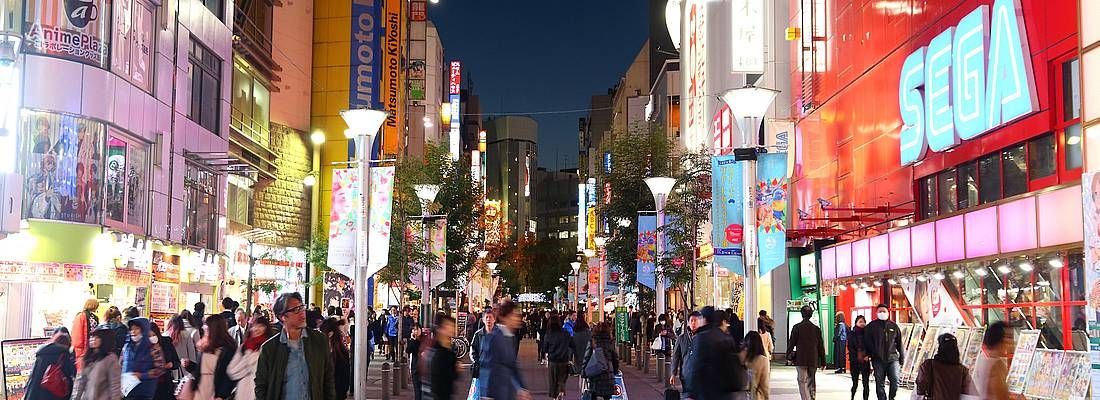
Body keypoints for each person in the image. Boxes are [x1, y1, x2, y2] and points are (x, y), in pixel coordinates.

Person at [254, 292, 337, 400]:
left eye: (302, 307)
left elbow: (328, 380)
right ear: (282, 316)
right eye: (296, 310)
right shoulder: (269, 349)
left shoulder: (319, 341)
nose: (302, 313)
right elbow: (261, 386)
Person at [685, 306, 744, 400]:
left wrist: (690, 393)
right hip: (725, 393)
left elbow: (695, 368)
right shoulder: (726, 337)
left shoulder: (701, 338)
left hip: (706, 392)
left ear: (704, 319)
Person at [478, 300, 531, 400]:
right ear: (504, 317)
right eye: (514, 315)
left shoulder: (509, 337)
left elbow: (512, 366)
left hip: (505, 392)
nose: (517, 319)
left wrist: (521, 388)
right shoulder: (494, 336)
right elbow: (486, 365)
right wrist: (486, 395)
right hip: (494, 393)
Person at [186, 315, 238, 400]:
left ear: (214, 328)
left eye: (206, 325)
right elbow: (200, 370)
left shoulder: (228, 349)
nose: (204, 327)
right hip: (200, 389)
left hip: (215, 391)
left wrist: (221, 395)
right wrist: (190, 365)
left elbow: (229, 376)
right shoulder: (205, 346)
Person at [914, 333, 977, 399]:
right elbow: (971, 394)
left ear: (940, 347)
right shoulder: (963, 370)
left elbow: (920, 390)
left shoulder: (929, 365)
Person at [863, 304, 904, 400]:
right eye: (880, 311)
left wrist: (902, 358)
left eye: (884, 311)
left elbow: (899, 343)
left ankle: (891, 397)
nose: (882, 313)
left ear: (888, 313)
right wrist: (870, 354)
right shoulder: (871, 327)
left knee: (895, 380)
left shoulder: (894, 326)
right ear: (876, 313)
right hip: (877, 360)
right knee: (879, 383)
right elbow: (867, 342)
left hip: (893, 359)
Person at [227, 316, 273, 400]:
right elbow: (232, 371)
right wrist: (249, 356)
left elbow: (266, 374)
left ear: (266, 328)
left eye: (261, 326)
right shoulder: (244, 347)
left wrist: (248, 365)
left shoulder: (270, 348)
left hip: (262, 393)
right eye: (254, 326)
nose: (257, 329)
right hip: (243, 393)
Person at [122, 317, 166, 400]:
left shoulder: (153, 347)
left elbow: (160, 368)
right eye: (131, 329)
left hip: (144, 391)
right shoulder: (127, 346)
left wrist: (142, 375)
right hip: (127, 391)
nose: (133, 332)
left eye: (137, 329)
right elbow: (121, 364)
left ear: (144, 330)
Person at [787, 305, 826, 400]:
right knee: (811, 380)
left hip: (800, 358)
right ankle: (812, 397)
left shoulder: (797, 327)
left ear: (801, 314)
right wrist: (823, 361)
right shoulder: (816, 329)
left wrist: (788, 356)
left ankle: (805, 398)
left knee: (802, 381)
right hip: (813, 359)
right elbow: (820, 346)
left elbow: (791, 343)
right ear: (811, 315)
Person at [72, 328, 122, 399]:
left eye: (97, 337)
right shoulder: (87, 357)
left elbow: (115, 384)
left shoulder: (110, 358)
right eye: (91, 337)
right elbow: (82, 381)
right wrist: (77, 397)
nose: (93, 339)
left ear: (104, 339)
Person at [24, 330, 76, 400]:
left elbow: (34, 379)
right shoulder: (66, 356)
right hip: (58, 395)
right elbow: (70, 378)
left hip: (41, 394)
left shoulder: (42, 354)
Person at [973, 321, 1012, 400]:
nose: (1010, 343)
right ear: (1001, 340)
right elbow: (1001, 395)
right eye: (1008, 338)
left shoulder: (981, 357)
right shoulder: (996, 364)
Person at [424, 313, 459, 400]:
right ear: (440, 329)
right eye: (448, 325)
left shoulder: (449, 350)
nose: (452, 328)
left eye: (452, 325)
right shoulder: (437, 352)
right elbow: (435, 382)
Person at [581, 322, 619, 400]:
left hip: (595, 373)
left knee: (594, 394)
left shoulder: (593, 342)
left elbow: (587, 357)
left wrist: (583, 371)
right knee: (607, 396)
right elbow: (615, 358)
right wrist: (615, 371)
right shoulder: (610, 342)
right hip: (608, 373)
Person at [541, 315, 573, 399]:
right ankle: (561, 391)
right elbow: (572, 344)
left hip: (553, 360)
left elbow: (545, 348)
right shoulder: (565, 333)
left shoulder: (548, 334)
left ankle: (555, 396)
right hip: (564, 359)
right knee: (562, 378)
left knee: (553, 379)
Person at [670, 311, 702, 394]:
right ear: (688, 322)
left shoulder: (703, 338)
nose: (693, 323)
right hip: (686, 374)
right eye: (691, 320)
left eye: (696, 320)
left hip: (700, 374)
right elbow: (676, 357)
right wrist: (673, 373)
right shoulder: (681, 338)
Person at [320, 317, 352, 399]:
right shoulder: (320, 351)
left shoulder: (341, 353)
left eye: (322, 333)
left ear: (330, 334)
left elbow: (344, 381)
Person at [148, 322, 181, 400]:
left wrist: (171, 364)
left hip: (165, 384)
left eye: (153, 335)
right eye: (148, 336)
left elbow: (177, 362)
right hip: (150, 385)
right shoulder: (143, 347)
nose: (151, 338)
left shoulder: (166, 342)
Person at [469, 305, 495, 393]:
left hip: (495, 371)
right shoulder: (478, 334)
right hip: (482, 370)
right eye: (486, 317)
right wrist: (476, 361)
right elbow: (473, 350)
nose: (488, 320)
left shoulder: (499, 335)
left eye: (490, 317)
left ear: (494, 319)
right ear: (483, 320)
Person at [72, 298, 100, 371]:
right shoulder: (87, 317)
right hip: (86, 348)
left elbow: (76, 335)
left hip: (86, 348)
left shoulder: (82, 316)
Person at [848, 315, 871, 400]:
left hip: (865, 361)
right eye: (860, 322)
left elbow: (871, 346)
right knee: (855, 383)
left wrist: (868, 356)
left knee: (866, 383)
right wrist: (857, 356)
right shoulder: (852, 334)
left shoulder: (868, 334)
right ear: (856, 323)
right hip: (855, 361)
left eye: (863, 322)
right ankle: (852, 397)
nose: (862, 324)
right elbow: (850, 347)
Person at [744, 330, 771, 400]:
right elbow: (764, 384)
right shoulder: (763, 360)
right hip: (755, 396)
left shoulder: (742, 358)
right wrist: (767, 397)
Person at [407, 323, 424, 400]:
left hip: (424, 369)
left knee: (423, 390)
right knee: (417, 390)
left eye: (417, 329)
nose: (415, 331)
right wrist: (412, 340)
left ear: (421, 329)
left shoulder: (424, 340)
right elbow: (408, 350)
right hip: (415, 368)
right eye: (413, 330)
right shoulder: (412, 340)